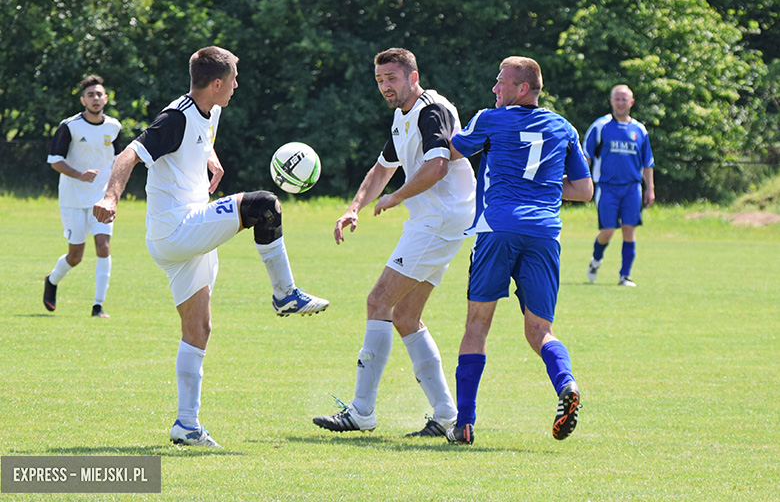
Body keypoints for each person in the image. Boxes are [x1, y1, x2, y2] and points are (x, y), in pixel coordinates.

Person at [93, 46, 329, 448]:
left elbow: (199, 140)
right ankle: (285, 293)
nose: (237, 85)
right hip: (178, 228)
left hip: (184, 235)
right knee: (264, 206)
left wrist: (211, 158)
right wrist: (111, 196)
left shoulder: (211, 109)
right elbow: (129, 155)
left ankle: (186, 425)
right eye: (234, 79)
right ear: (217, 83)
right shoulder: (175, 117)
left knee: (198, 328)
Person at [312, 48, 476, 437]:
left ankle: (361, 412)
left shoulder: (429, 110)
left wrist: (396, 198)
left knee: (378, 302)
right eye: (380, 80)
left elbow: (438, 166)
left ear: (413, 77)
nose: (385, 86)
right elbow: (382, 168)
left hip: (438, 220)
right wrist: (354, 208)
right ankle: (446, 415)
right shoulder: (403, 115)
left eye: (392, 78)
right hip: (440, 221)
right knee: (404, 316)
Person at [445, 56, 593, 445]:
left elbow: (453, 150)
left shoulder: (490, 119)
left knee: (477, 325)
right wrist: (544, 187)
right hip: (544, 234)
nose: (495, 88)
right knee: (540, 330)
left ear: (522, 88)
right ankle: (567, 383)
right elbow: (584, 190)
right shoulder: (564, 127)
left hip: (498, 228)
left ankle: (464, 423)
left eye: (501, 82)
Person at [44, 75, 122, 318]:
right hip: (73, 200)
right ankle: (52, 280)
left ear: (106, 98)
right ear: (83, 100)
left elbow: (119, 161)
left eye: (99, 94)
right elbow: (55, 160)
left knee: (103, 246)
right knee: (75, 256)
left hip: (101, 198)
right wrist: (79, 175)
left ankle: (98, 306)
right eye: (90, 95)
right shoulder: (70, 126)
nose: (95, 98)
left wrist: (114, 193)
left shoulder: (114, 127)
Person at [584, 84, 655, 287]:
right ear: (611, 101)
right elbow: (586, 156)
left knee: (629, 230)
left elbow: (647, 162)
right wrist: (582, 181)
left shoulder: (639, 130)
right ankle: (596, 260)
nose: (621, 103)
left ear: (631, 102)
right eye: (617, 99)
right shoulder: (601, 126)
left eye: (624, 99)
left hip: (632, 187)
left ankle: (625, 276)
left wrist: (650, 189)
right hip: (607, 187)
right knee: (607, 231)